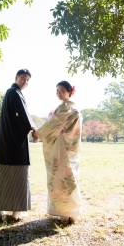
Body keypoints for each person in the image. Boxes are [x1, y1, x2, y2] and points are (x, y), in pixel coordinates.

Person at [0, 69, 38, 220]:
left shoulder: (13, 93)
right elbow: (23, 114)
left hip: (6, 142)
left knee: (3, 176)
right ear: (16, 78)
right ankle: (15, 211)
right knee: (17, 176)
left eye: (28, 79)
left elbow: (21, 115)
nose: (25, 81)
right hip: (13, 143)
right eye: (22, 78)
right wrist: (33, 128)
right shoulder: (13, 92)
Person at [36, 80, 83, 223]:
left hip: (63, 148)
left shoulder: (66, 109)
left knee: (62, 178)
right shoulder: (67, 108)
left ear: (70, 92)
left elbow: (54, 125)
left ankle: (66, 212)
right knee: (67, 178)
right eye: (57, 90)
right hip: (69, 148)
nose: (59, 93)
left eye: (62, 90)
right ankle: (69, 212)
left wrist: (38, 133)